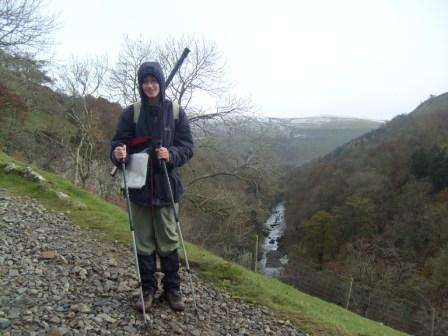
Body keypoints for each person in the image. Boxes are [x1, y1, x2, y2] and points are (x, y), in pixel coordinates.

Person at [110, 61, 194, 311]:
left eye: (154, 81)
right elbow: (117, 145)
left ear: (161, 83)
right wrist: (118, 153)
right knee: (144, 242)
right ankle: (147, 289)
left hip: (167, 187)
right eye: (145, 81)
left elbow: (187, 146)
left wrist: (172, 154)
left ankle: (172, 289)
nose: (150, 86)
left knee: (168, 241)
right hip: (138, 189)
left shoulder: (176, 112)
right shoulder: (131, 113)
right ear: (140, 84)